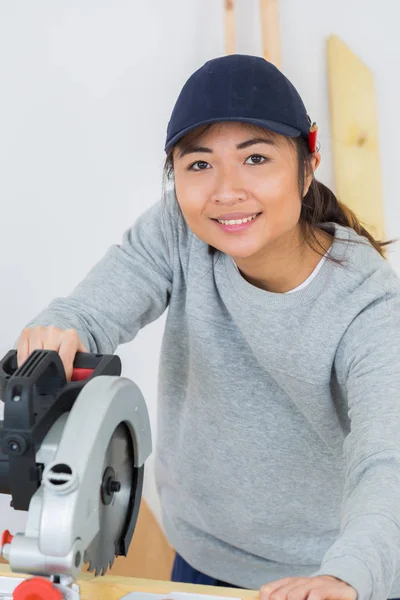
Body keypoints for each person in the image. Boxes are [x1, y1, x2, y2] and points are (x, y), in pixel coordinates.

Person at [15, 54, 400, 600]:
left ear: (308, 165)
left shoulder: (368, 304)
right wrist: (50, 341)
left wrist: (346, 577)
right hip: (201, 554)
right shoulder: (177, 229)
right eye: (199, 165)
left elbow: (389, 461)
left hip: (330, 573)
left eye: (256, 158)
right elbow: (88, 316)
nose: (226, 191)